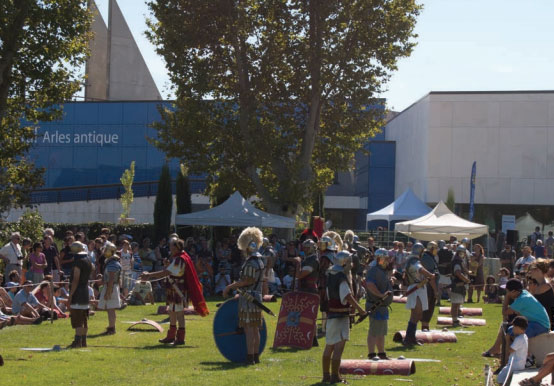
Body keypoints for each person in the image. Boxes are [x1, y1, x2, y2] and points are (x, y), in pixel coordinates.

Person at [141, 238, 208, 346]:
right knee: (172, 312)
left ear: (177, 247)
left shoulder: (180, 259)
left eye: (172, 246)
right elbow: (171, 271)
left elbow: (166, 272)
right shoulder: (178, 258)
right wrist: (167, 265)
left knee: (179, 313)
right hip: (173, 289)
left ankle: (180, 338)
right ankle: (171, 336)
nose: (170, 248)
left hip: (178, 289)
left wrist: (149, 275)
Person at [321, 250, 367, 384]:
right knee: (338, 346)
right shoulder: (341, 276)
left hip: (332, 315)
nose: (352, 265)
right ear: (345, 262)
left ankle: (326, 376)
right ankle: (335, 376)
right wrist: (361, 310)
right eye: (350, 262)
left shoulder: (331, 274)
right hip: (340, 316)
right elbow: (347, 296)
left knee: (329, 344)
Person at [223, 227, 265, 365]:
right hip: (257, 296)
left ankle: (250, 357)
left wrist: (230, 286)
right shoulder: (260, 260)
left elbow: (246, 281)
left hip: (248, 299)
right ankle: (255, 356)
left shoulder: (251, 262)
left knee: (249, 329)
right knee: (255, 328)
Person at [483, 279, 551, 358]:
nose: (507, 293)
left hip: (541, 325)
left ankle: (514, 355)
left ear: (514, 291)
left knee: (514, 330)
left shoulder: (522, 299)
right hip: (535, 323)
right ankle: (497, 349)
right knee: (506, 326)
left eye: (507, 291)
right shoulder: (523, 294)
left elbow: (504, 312)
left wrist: (507, 297)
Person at [401, 242, 437, 346]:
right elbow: (419, 269)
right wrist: (430, 275)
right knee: (415, 314)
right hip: (415, 288)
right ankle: (408, 338)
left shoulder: (414, 260)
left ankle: (412, 338)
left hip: (420, 287)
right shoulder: (413, 261)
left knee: (419, 314)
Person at [364, 248, 393, 360]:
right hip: (375, 305)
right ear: (380, 259)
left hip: (382, 307)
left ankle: (381, 353)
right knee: (374, 331)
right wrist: (381, 295)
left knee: (381, 331)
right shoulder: (373, 270)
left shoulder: (382, 270)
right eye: (385, 258)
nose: (387, 260)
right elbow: (370, 285)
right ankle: (372, 354)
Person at [294, 238, 320, 346]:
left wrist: (298, 264)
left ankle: (313, 339)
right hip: (304, 289)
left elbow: (299, 275)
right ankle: (307, 338)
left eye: (307, 247)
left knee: (310, 315)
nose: (305, 249)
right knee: (303, 315)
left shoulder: (313, 260)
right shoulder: (308, 258)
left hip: (309, 290)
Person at [68, 241, 93, 348]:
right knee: (84, 318)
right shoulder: (88, 260)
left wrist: (71, 295)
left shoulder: (78, 262)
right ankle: (83, 341)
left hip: (78, 292)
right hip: (85, 291)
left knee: (78, 318)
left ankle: (77, 341)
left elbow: (75, 279)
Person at [97, 242, 122, 335]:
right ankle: (111, 327)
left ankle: (112, 328)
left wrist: (108, 291)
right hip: (111, 287)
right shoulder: (112, 262)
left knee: (111, 309)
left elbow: (111, 279)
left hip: (111, 287)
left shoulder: (113, 263)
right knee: (110, 309)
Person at [496, 316, 529, 385]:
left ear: (518, 328)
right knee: (504, 376)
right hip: (520, 364)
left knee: (500, 378)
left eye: (514, 327)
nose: (513, 329)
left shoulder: (519, 339)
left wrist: (507, 340)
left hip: (514, 365)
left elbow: (510, 350)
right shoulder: (524, 336)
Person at [317, 235, 336, 336]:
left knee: (325, 306)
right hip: (332, 284)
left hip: (325, 283)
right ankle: (326, 327)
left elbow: (321, 270)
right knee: (328, 306)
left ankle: (324, 329)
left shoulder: (325, 257)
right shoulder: (334, 255)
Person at [527, 260, 554, 330]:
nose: (530, 271)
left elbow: (529, 302)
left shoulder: (544, 286)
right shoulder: (540, 285)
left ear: (538, 270)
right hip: (541, 320)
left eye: (531, 269)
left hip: (545, 322)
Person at [420, 241, 439, 330]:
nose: (437, 250)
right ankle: (424, 326)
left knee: (430, 306)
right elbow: (430, 276)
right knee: (427, 306)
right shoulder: (427, 258)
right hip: (427, 286)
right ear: (432, 249)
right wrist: (435, 290)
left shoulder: (431, 257)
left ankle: (426, 326)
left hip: (430, 285)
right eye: (436, 248)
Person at [450, 245, 471, 326]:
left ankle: (456, 320)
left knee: (457, 304)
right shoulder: (457, 262)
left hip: (460, 285)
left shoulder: (458, 261)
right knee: (455, 304)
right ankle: (455, 321)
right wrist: (465, 279)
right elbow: (457, 273)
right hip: (457, 285)